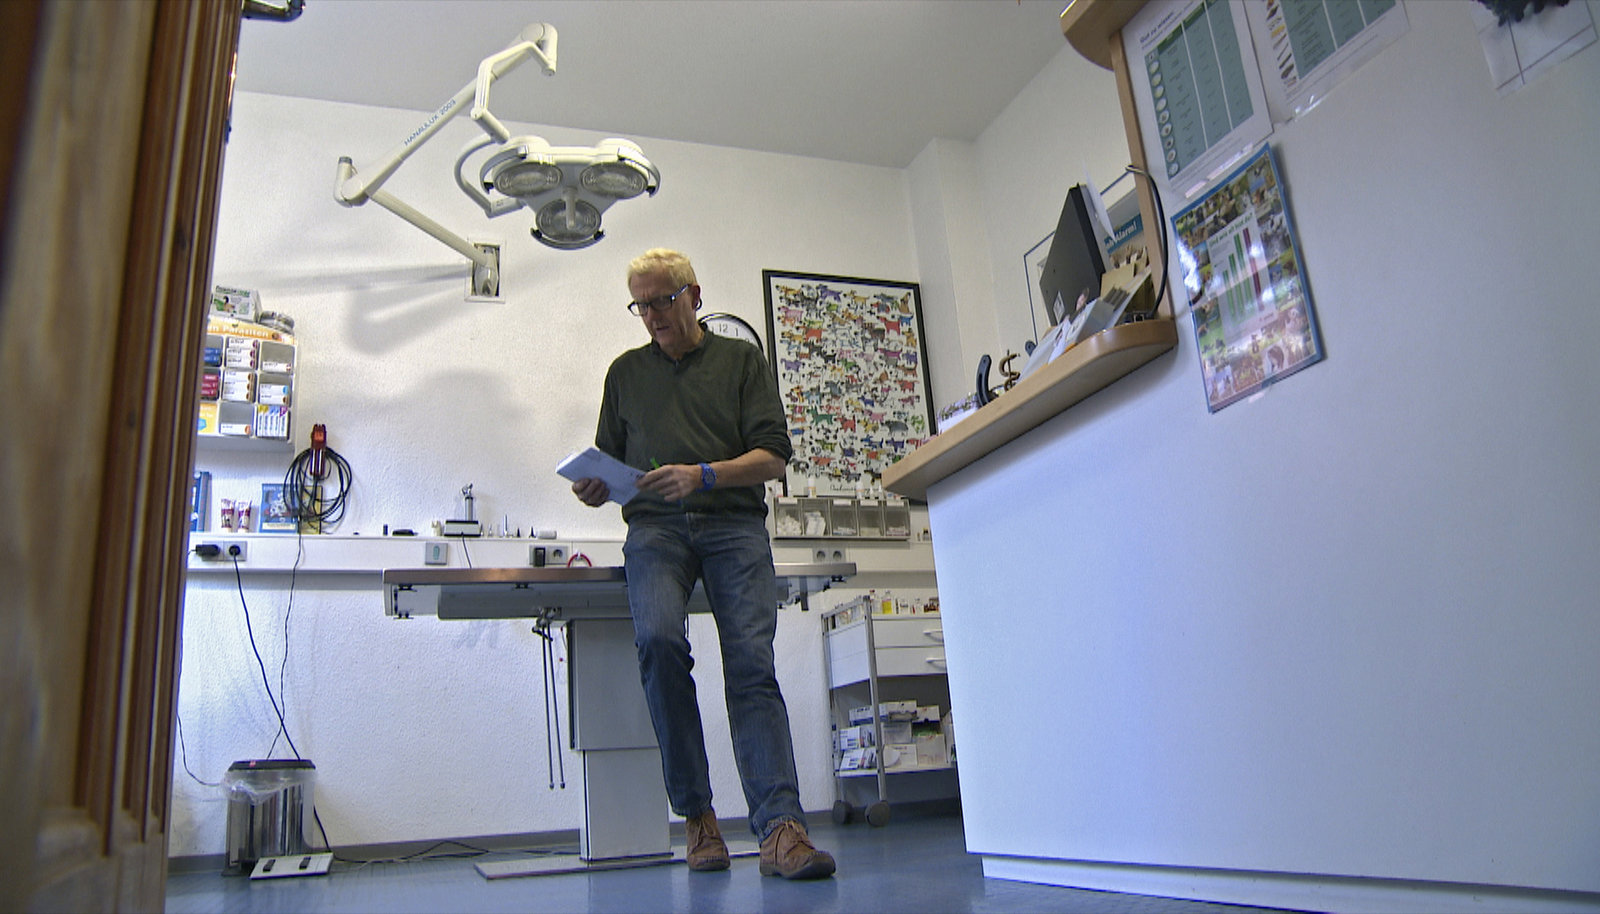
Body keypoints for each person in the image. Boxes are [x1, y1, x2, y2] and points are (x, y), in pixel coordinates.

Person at [570, 248, 836, 880]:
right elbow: (610, 462)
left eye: (663, 300)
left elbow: (773, 457)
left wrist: (704, 475)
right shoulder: (624, 374)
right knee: (659, 645)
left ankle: (780, 828)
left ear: (693, 295)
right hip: (655, 530)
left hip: (733, 524)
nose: (652, 316)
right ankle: (698, 818)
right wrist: (595, 486)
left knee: (750, 665)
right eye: (641, 305)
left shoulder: (741, 362)